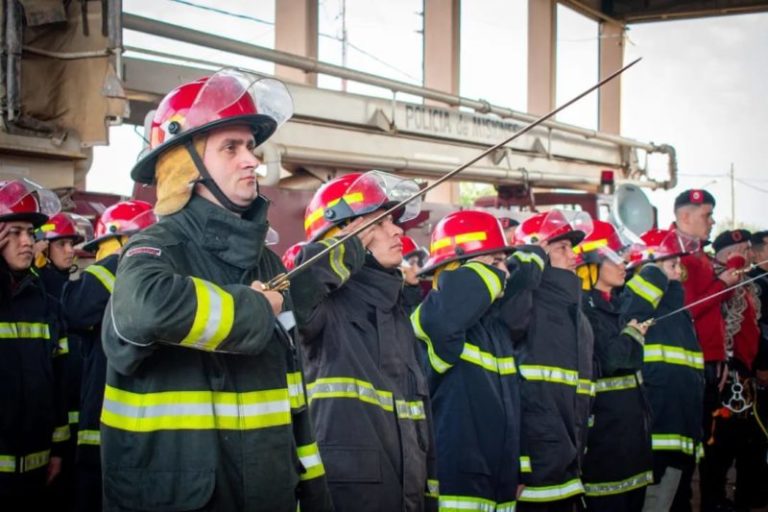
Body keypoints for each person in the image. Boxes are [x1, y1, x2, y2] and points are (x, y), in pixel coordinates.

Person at [100, 69, 332, 512]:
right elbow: (142, 312)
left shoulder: (263, 262)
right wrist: (255, 308)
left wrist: (315, 492)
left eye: (251, 146)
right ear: (185, 165)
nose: (252, 160)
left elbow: (292, 392)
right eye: (231, 147)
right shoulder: (154, 249)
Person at [292, 171, 437, 511]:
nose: (398, 230)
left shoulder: (396, 309)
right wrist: (349, 242)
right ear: (346, 233)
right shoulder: (324, 307)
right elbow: (300, 286)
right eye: (383, 221)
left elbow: (420, 425)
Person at [411, 210, 538, 511]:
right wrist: (482, 271)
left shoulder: (494, 329)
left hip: (500, 489)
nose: (504, 271)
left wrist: (517, 470)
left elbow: (510, 409)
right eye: (494, 263)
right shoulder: (432, 317)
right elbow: (451, 313)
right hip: (457, 489)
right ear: (458, 267)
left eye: (503, 263)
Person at [61, 200, 156, 512]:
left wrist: (122, 258)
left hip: (113, 433)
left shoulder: (125, 277)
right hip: (111, 432)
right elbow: (76, 313)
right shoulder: (110, 282)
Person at [510, 210, 595, 511]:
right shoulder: (527, 299)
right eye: (562, 248)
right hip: (536, 459)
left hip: (569, 454)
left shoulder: (577, 314)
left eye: (571, 247)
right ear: (540, 252)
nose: (573, 256)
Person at [0, 179, 70, 509]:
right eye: (14, 232)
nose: (28, 242)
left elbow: (59, 384)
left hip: (37, 473)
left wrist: (58, 452)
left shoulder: (47, 304)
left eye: (30, 233)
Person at [574, 220, 653, 511]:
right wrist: (631, 337)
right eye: (613, 256)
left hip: (628, 441)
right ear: (591, 265)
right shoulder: (584, 310)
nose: (623, 263)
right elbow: (610, 360)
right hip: (604, 444)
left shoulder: (615, 305)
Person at [623, 228, 704, 512]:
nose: (679, 270)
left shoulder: (677, 309)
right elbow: (632, 312)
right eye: (672, 263)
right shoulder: (642, 299)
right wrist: (653, 272)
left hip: (681, 430)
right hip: (655, 435)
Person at [672, 189, 741, 511]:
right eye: (706, 216)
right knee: (686, 446)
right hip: (689, 366)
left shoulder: (698, 254)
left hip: (708, 362)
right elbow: (689, 308)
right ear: (684, 217)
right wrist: (723, 284)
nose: (712, 222)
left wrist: (720, 358)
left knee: (702, 441)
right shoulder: (674, 254)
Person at [700, 229, 765, 511]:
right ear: (727, 255)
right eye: (745, 250)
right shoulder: (718, 283)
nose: (750, 255)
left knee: (749, 448)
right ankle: (713, 503)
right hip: (726, 375)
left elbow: (753, 333)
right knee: (718, 450)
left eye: (751, 249)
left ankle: (746, 502)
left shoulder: (749, 286)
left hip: (746, 376)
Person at [34, 212, 92, 511]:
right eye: (63, 244)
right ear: (43, 247)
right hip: (51, 424)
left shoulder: (71, 288)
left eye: (72, 243)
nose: (71, 250)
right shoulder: (40, 293)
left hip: (74, 420)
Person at [400, 234, 428, 315]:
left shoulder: (419, 296)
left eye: (419, 262)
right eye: (411, 263)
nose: (418, 269)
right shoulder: (391, 305)